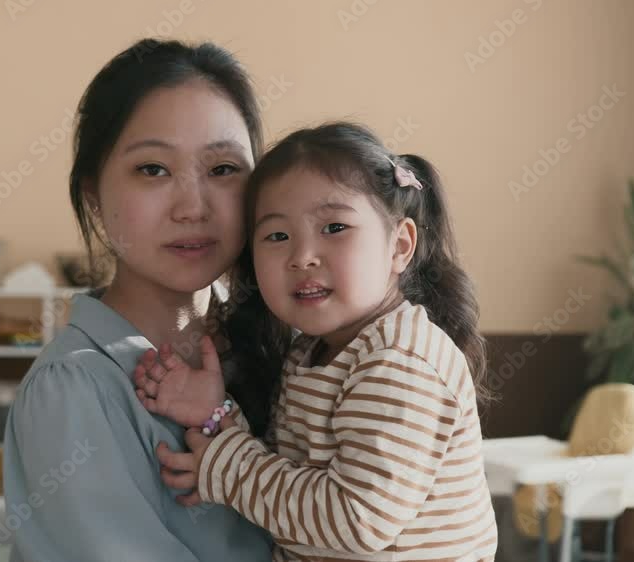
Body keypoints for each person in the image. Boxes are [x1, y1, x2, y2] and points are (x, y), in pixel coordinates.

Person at [134, 122, 499, 561]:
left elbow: (357, 520)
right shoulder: (311, 351)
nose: (302, 256)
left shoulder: (400, 360)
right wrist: (215, 417)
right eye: (277, 236)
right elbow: (289, 475)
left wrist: (224, 468)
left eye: (334, 228)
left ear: (399, 246)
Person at [2, 38, 275, 562]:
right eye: (153, 169)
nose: (193, 207)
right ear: (93, 199)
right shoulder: (74, 388)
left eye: (222, 169)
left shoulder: (280, 343)